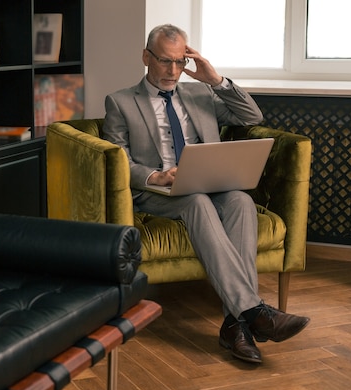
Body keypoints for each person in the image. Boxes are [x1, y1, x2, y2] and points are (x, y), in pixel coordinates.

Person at [102, 24, 309, 364]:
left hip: (209, 182)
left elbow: (251, 115)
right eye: (165, 61)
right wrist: (156, 174)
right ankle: (253, 311)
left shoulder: (201, 95)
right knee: (196, 202)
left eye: (181, 62)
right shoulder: (121, 101)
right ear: (146, 57)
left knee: (241, 200)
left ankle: (236, 325)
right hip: (159, 190)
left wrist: (215, 80)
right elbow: (116, 157)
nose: (173, 71)